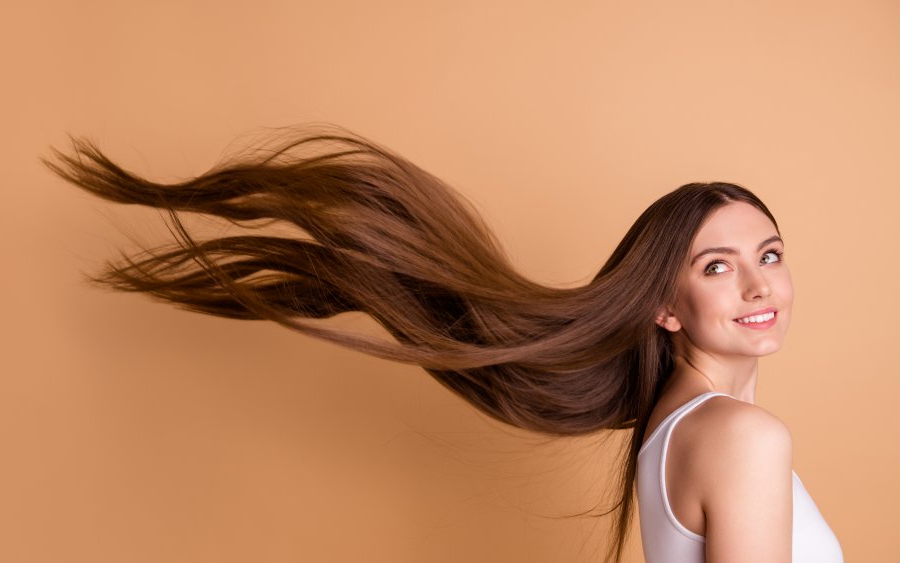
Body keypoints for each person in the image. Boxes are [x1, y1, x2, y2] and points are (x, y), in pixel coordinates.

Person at [43, 124, 843, 563]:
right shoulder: (741, 437)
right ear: (665, 306)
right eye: (717, 266)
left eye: (769, 254)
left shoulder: (674, 429)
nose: (758, 285)